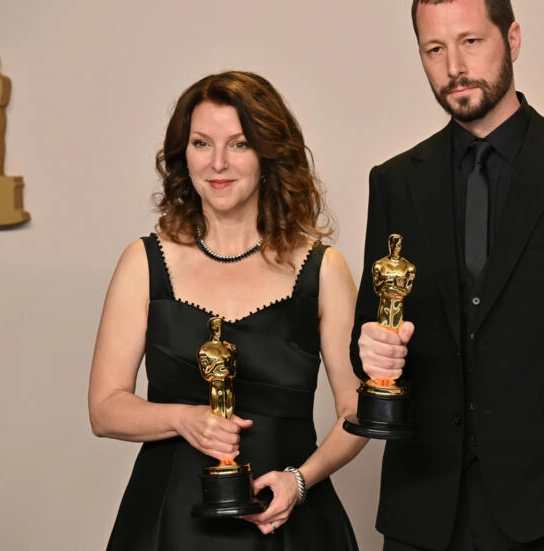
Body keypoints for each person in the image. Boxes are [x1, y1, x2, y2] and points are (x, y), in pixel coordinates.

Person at [352, 1, 544, 549]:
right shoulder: (396, 182)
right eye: (434, 49)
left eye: (471, 42)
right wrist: (371, 352)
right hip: (424, 510)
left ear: (512, 39)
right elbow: (374, 330)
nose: (454, 67)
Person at [88, 71, 366, 550]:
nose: (218, 162)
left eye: (238, 144)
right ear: (183, 155)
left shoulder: (323, 270)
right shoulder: (144, 262)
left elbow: (356, 408)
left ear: (268, 155)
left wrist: (300, 481)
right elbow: (105, 409)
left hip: (289, 526)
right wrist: (182, 419)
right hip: (166, 526)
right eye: (201, 143)